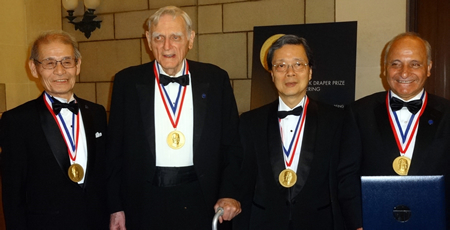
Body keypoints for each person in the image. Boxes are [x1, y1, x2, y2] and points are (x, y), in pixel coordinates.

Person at [107, 6, 242, 230]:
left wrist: (229, 193)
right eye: (159, 37)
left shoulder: (216, 79)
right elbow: (114, 152)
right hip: (144, 200)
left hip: (203, 197)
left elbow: (233, 145)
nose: (167, 46)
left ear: (190, 39)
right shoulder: (127, 82)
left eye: (175, 37)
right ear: (149, 40)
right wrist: (115, 206)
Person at [338, 32, 450, 229]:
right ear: (384, 68)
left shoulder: (448, 114)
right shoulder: (358, 112)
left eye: (415, 64)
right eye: (395, 63)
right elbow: (347, 175)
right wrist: (359, 223)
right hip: (373, 223)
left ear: (429, 68)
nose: (404, 72)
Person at [0, 31, 109, 229]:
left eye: (67, 61)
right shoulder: (16, 121)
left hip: (96, 222)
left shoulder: (97, 113)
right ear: (34, 68)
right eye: (49, 63)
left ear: (78, 66)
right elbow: (12, 195)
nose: (60, 71)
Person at [234, 34, 344, 230]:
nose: (290, 73)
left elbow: (344, 180)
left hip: (319, 224)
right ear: (272, 74)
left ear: (310, 72)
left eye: (298, 64)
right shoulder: (250, 122)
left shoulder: (337, 120)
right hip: (264, 224)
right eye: (281, 65)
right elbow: (242, 181)